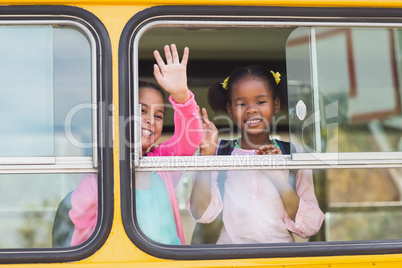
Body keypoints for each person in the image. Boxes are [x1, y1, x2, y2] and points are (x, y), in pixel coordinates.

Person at [62, 44, 203, 246]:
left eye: (158, 116)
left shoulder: (164, 162)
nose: (150, 120)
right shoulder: (98, 176)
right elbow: (81, 230)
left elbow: (192, 138)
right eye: (142, 111)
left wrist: (181, 94)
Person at [189, 65, 324, 244]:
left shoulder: (291, 153)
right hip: (227, 258)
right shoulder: (218, 151)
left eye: (260, 102)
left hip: (281, 259)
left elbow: (309, 228)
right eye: (241, 104)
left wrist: (278, 177)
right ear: (230, 110)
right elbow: (200, 213)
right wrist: (206, 159)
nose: (251, 109)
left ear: (276, 105)